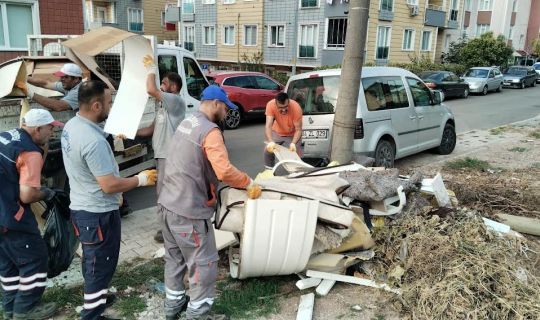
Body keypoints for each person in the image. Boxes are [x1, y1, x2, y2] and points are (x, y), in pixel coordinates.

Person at [157, 85, 261, 320]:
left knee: (174, 259)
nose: (226, 112)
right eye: (225, 107)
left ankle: (173, 306)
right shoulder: (210, 130)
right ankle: (198, 314)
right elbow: (224, 171)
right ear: (215, 103)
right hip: (188, 210)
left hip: (167, 204)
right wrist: (248, 182)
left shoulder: (188, 122)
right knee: (202, 263)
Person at [61, 81, 157, 320]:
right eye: (108, 102)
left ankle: (98, 296)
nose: (111, 106)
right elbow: (109, 185)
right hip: (97, 213)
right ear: (95, 105)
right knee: (99, 264)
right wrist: (140, 180)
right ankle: (92, 314)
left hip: (83, 207)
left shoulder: (72, 126)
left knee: (92, 260)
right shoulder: (92, 141)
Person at [0, 109, 63, 320]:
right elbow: (27, 195)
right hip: (10, 216)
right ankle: (25, 310)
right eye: (50, 128)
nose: (52, 132)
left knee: (8, 263)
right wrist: (46, 192)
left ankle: (9, 309)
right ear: (37, 129)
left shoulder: (7, 136)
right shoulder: (30, 152)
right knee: (35, 259)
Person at [135, 55, 186, 244]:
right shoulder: (163, 107)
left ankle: (168, 230)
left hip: (169, 156)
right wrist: (130, 132)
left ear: (173, 87)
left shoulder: (175, 101)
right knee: (164, 192)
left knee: (165, 193)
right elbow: (150, 130)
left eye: (164, 83)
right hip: (161, 155)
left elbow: (150, 89)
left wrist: (150, 69)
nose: (160, 87)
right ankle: (169, 227)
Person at [264, 92, 303, 169]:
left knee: (295, 156)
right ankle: (269, 171)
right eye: (280, 108)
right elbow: (268, 126)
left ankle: (296, 173)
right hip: (277, 133)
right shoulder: (270, 105)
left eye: (286, 106)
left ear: (288, 101)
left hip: (293, 134)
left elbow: (298, 130)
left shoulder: (296, 107)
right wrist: (271, 141)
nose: (284, 110)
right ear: (276, 104)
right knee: (267, 151)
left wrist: (293, 143)